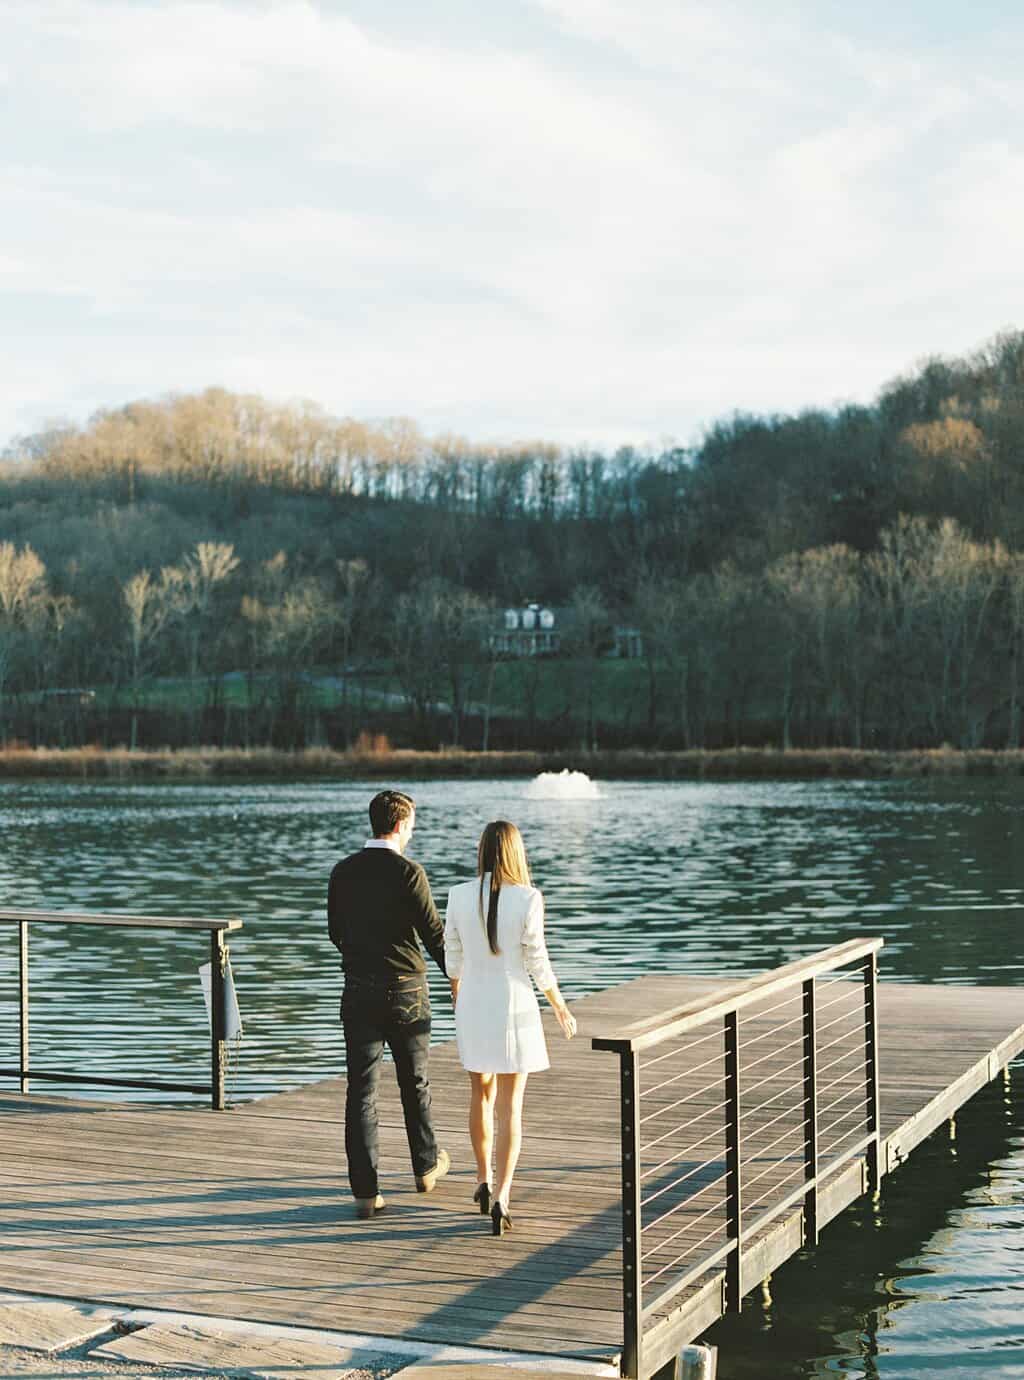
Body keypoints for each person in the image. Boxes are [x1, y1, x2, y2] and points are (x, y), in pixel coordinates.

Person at [444, 820, 576, 1236]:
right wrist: (560, 1006)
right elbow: (537, 960)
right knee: (509, 1106)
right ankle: (503, 1194)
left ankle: (482, 1179)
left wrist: (457, 993)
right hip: (514, 1006)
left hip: (473, 1004)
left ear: (482, 850)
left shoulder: (459, 895)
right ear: (516, 852)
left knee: (479, 1094)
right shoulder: (529, 898)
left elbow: (452, 954)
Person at [328, 789, 450, 1219]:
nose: (412, 831)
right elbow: (435, 934)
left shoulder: (342, 872)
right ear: (399, 824)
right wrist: (458, 977)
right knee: (414, 1083)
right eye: (412, 824)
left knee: (361, 1091)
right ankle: (426, 1166)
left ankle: (366, 1192)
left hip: (359, 989)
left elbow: (334, 932)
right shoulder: (408, 872)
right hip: (407, 992)